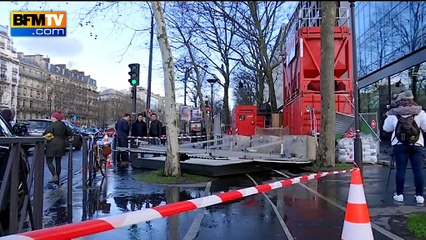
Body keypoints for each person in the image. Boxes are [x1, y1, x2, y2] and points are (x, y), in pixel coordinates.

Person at [383, 90, 426, 204]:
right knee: (418, 171)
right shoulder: (420, 112)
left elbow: (386, 128)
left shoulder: (394, 113)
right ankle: (419, 196)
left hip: (399, 145)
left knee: (400, 170)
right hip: (416, 144)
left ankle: (399, 194)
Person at [43, 111, 72, 184]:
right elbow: (70, 133)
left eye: (52, 117)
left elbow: (46, 133)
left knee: (49, 161)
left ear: (56, 118)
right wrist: (64, 137)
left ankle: (54, 175)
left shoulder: (52, 125)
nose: (51, 118)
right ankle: (58, 178)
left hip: (52, 144)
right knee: (58, 162)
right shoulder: (64, 125)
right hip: (61, 144)